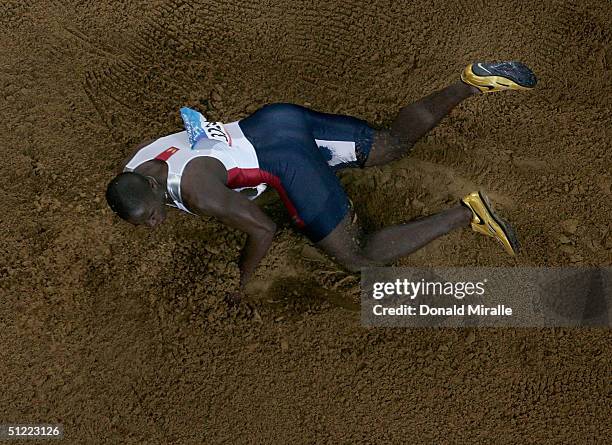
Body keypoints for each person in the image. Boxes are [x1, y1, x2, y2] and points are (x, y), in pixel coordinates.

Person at [106, 61, 537, 301]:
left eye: (152, 215)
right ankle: (472, 82)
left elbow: (263, 228)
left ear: (155, 188)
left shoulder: (198, 194)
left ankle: (468, 214)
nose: (155, 223)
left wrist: (240, 278)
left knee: (359, 258)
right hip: (277, 121)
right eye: (145, 222)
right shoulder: (140, 159)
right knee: (389, 143)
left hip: (290, 163)